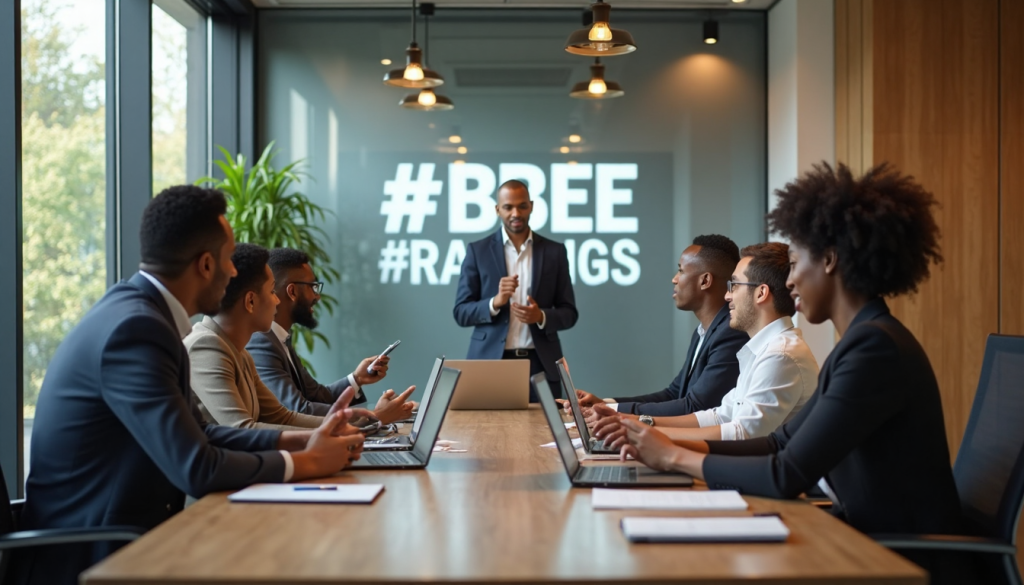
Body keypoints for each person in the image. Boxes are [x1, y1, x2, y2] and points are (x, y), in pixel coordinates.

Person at [611, 163, 968, 580]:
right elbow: (779, 443)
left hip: (893, 558)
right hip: (856, 536)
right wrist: (661, 442)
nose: (791, 281)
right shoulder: (860, 342)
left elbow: (786, 473)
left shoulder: (875, 350)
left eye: (796, 263)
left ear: (830, 260)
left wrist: (673, 455)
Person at [12, 186, 364, 585]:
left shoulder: (145, 317)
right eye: (230, 259)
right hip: (91, 557)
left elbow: (202, 434)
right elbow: (197, 467)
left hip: (129, 538)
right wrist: (310, 462)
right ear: (205, 265)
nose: (235, 273)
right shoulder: (137, 330)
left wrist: (300, 441)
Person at [592, 242, 818, 441]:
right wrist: (631, 422)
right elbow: (720, 415)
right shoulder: (761, 349)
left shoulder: (780, 354)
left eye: (735, 285)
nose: (728, 296)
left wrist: (642, 432)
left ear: (760, 293)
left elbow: (742, 433)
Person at [571, 235, 748, 417]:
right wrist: (605, 404)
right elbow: (673, 393)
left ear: (705, 281)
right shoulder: (704, 331)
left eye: (681, 271)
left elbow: (695, 407)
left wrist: (612, 411)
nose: (674, 279)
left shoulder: (730, 334)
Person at [247, 247, 414, 424]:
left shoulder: (280, 338)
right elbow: (297, 409)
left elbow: (316, 395)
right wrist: (374, 416)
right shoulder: (262, 343)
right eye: (313, 287)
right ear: (292, 291)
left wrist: (357, 378)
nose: (317, 296)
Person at [186, 243, 344, 430]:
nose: (277, 300)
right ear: (250, 301)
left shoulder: (240, 351)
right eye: (271, 291)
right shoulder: (206, 346)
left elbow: (282, 417)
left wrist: (350, 424)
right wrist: (333, 431)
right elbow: (243, 429)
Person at [453, 179, 578, 400]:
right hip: (490, 363)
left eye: (521, 206)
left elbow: (569, 313)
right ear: (497, 209)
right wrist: (495, 302)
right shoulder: (478, 250)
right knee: (486, 432)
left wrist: (541, 316)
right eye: (508, 207)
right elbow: (461, 312)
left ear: (531, 206)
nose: (515, 213)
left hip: (541, 365)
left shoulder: (554, 251)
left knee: (545, 433)